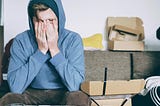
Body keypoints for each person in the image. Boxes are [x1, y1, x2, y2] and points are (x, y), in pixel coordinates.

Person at [0, 0, 91, 105]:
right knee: (9, 99)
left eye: (51, 20)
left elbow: (75, 85)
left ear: (59, 19)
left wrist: (54, 49)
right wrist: (41, 51)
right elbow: (15, 87)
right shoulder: (21, 40)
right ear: (32, 20)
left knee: (78, 98)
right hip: (31, 92)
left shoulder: (73, 39)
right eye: (40, 21)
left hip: (64, 92)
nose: (45, 27)